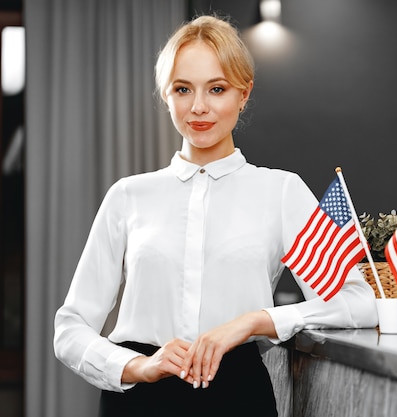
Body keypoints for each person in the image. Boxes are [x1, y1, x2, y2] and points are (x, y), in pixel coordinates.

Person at [53, 14, 377, 417]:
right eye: (183, 89)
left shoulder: (281, 191)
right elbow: (70, 328)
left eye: (217, 89)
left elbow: (358, 301)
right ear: (166, 95)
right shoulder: (127, 195)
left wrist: (255, 321)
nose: (199, 107)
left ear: (243, 94)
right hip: (139, 400)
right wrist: (137, 366)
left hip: (238, 396)